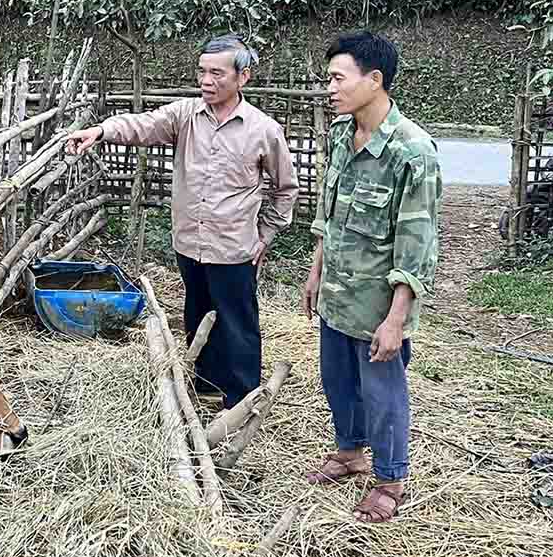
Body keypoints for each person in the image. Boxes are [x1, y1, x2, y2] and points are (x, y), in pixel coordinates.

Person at [67, 34, 298, 408]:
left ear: (243, 77)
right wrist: (101, 131)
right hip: (190, 242)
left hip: (234, 246)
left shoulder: (263, 130)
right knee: (197, 314)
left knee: (237, 324)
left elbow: (286, 189)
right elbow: (142, 125)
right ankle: (205, 386)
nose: (206, 81)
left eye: (217, 73)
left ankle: (241, 401)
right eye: (202, 72)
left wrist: (265, 235)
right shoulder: (185, 115)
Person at [303, 30, 441, 524]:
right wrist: (316, 271)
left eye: (339, 78)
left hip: (379, 305)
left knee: (383, 392)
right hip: (338, 294)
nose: (330, 89)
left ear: (374, 79)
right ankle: (349, 452)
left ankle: (388, 480)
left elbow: (417, 243)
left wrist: (396, 318)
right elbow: (329, 212)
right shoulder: (343, 136)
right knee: (338, 381)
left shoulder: (412, 150)